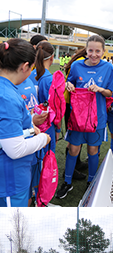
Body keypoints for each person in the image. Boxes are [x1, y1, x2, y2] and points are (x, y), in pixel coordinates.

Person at [57, 35, 113, 199]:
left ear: (103, 51)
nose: (94, 54)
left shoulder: (108, 68)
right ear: (86, 50)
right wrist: (69, 85)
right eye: (90, 50)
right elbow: (69, 83)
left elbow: (110, 92)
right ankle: (67, 182)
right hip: (77, 116)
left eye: (98, 51)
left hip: (98, 118)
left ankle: (91, 182)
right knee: (73, 149)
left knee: (92, 150)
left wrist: (100, 89)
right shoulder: (76, 65)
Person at [0, 38, 51, 207]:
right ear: (24, 67)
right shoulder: (7, 97)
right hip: (10, 181)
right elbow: (15, 149)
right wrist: (43, 138)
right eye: (32, 68)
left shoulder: (6, 88)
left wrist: (29, 129)